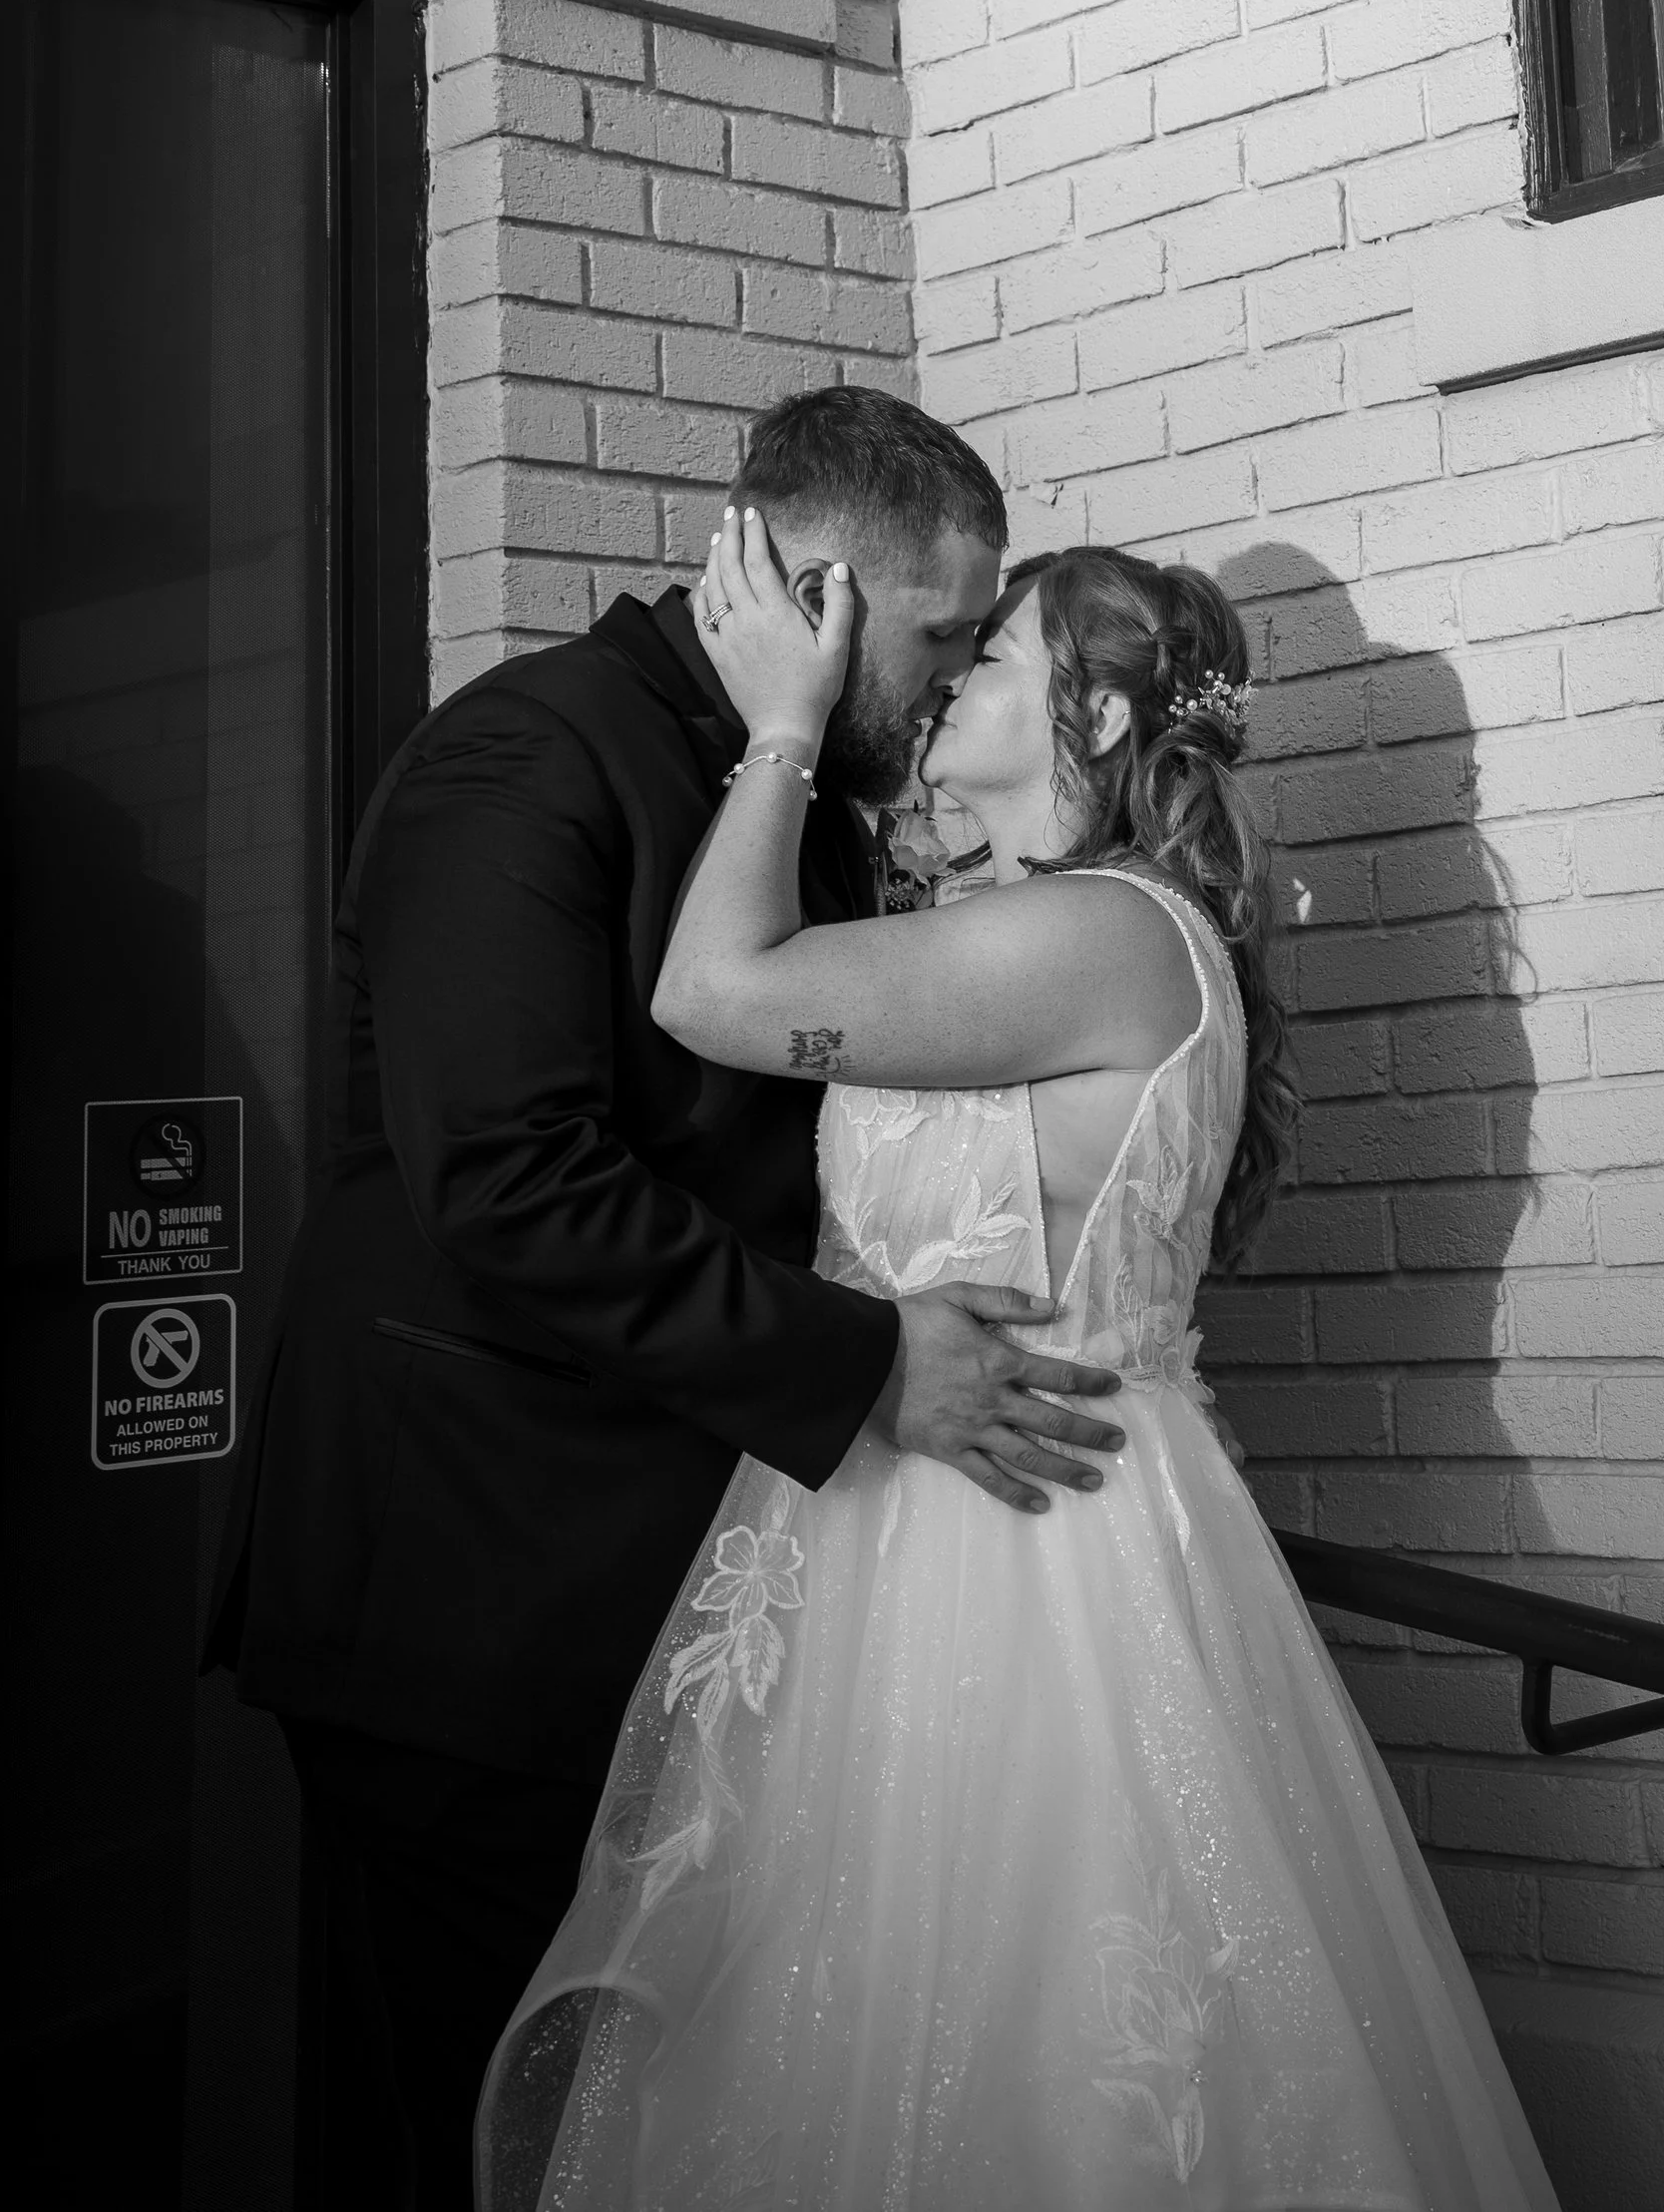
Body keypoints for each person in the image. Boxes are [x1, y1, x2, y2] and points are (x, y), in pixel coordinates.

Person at [476, 517, 1561, 2212]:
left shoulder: (1110, 934)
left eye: (998, 650)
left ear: (1103, 723)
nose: (954, 672)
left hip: (1027, 1566)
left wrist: (777, 723)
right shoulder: (1027, 923)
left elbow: (713, 989)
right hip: (910, 1524)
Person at [205, 390, 1127, 2212]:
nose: (946, 689)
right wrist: (871, 1369)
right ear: (817, 590)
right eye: (939, 636)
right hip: (472, 1596)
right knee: (502, 2135)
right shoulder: (526, 754)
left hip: (655, 1605)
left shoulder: (807, 797)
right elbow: (509, 1186)